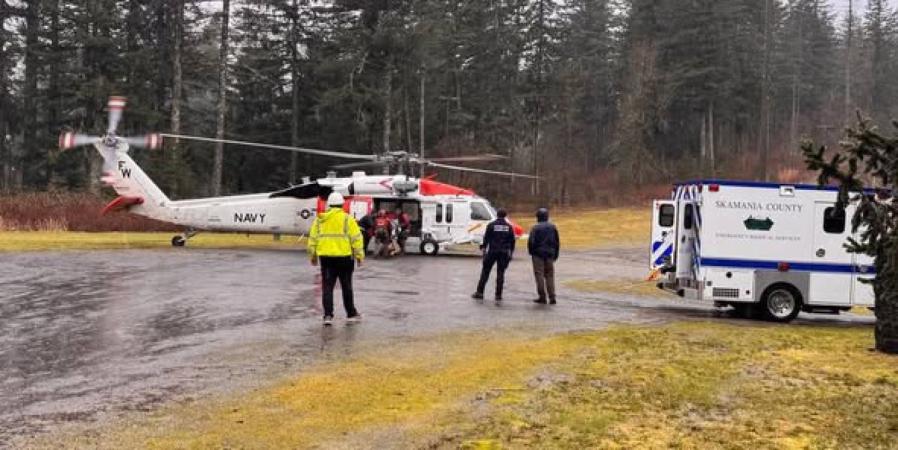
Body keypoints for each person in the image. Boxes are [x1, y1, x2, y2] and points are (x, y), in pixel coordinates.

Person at [308, 192, 365, 326]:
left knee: (327, 287)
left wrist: (313, 256)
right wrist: (359, 256)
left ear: (329, 205)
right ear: (342, 205)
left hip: (326, 258)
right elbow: (357, 239)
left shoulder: (320, 220)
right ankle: (351, 314)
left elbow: (312, 239)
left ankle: (328, 315)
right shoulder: (348, 219)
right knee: (347, 286)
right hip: (345, 258)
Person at [472, 208, 516, 301]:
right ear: (505, 216)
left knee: (485, 271)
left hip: (492, 251)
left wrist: (484, 248)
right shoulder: (509, 227)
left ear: (497, 215)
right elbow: (512, 241)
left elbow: (486, 238)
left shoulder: (491, 225)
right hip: (504, 252)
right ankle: (498, 295)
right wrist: (511, 252)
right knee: (500, 273)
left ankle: (480, 292)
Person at [528, 207, 560, 304]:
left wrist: (531, 252)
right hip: (550, 253)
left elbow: (531, 242)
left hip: (538, 254)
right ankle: (552, 296)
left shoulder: (535, 228)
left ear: (538, 217)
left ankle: (542, 296)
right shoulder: (553, 227)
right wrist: (556, 254)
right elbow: (557, 242)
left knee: (539, 275)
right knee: (550, 275)